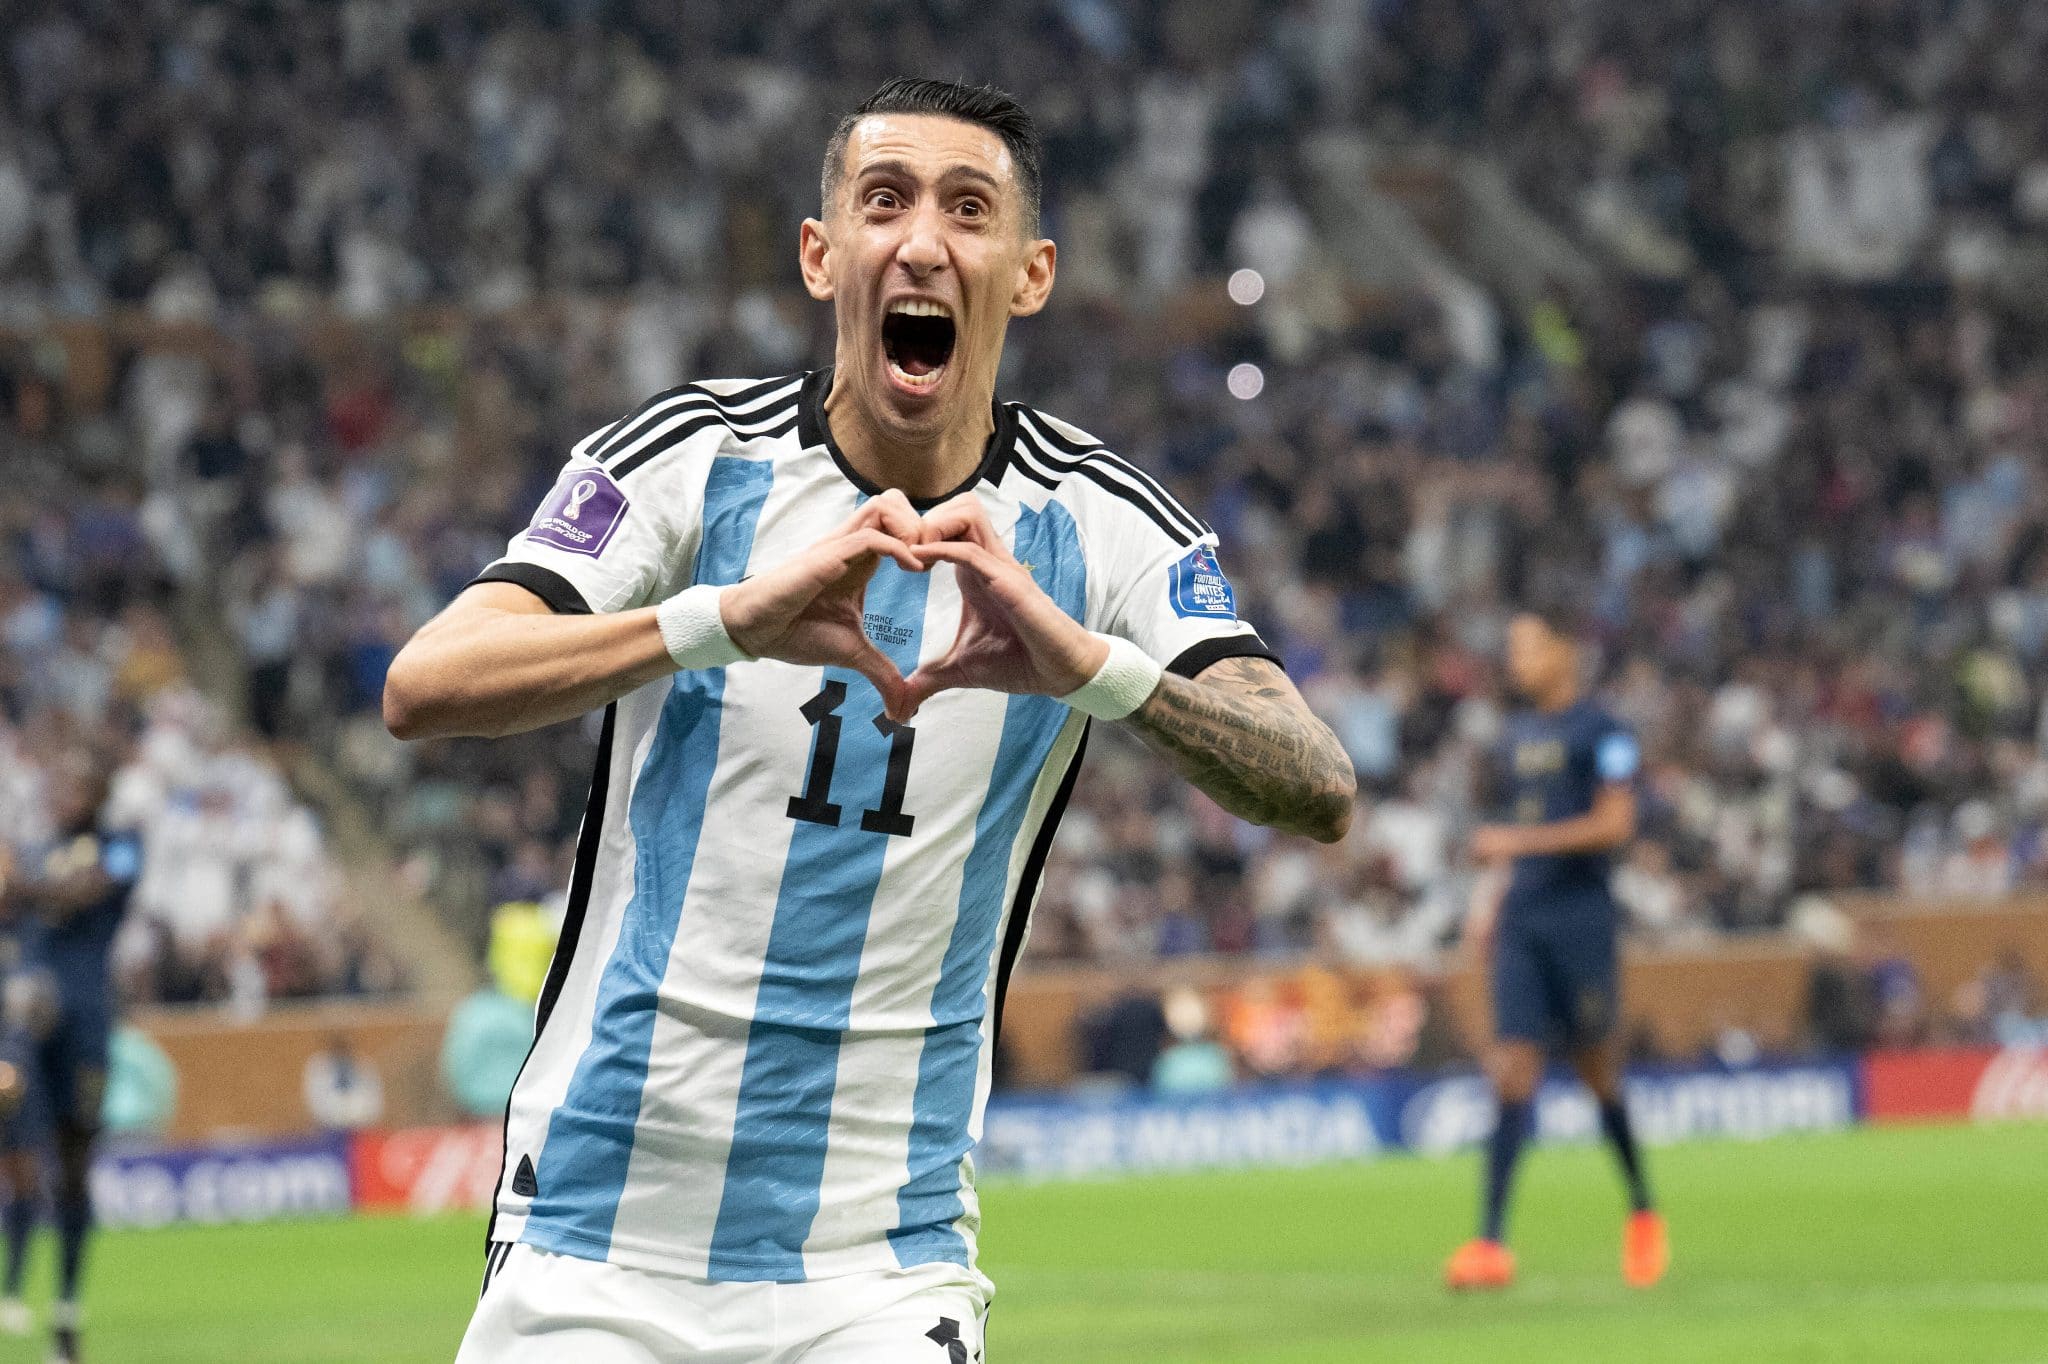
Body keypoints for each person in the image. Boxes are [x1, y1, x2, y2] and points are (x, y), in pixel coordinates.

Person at [383, 77, 1356, 1362]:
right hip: (594, 1241)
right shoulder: (693, 458)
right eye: (882, 200)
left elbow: (1317, 782)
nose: (920, 240)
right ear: (819, 250)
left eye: (969, 209)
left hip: (880, 1267)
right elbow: (426, 684)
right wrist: (721, 619)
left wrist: (1090, 668)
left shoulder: (1101, 523)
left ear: (1029, 274)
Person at [1444, 610, 1668, 1292]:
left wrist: (1513, 845)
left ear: (1565, 652)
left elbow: (1615, 824)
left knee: (1598, 1070)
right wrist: (1487, 909)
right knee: (1512, 1068)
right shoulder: (1513, 739)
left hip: (1581, 919)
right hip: (1522, 919)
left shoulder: (1604, 733)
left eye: (1528, 647)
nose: (1515, 661)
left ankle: (1642, 1211)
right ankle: (1489, 1242)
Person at [0, 757, 141, 1364]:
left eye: (74, 784)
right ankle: (11, 1288)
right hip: (30, 1025)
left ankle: (65, 1308)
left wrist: (18, 885)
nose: (61, 795)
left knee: (76, 1164)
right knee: (22, 1149)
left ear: (97, 792)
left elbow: (93, 890)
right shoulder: (35, 850)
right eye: (57, 784)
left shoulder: (123, 847)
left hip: (87, 1024)